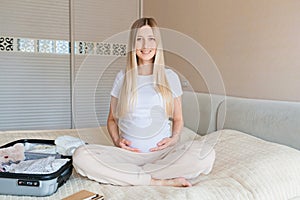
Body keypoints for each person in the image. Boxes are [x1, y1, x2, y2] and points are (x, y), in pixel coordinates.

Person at [73, 17, 215, 187]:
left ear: (157, 43)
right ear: (133, 44)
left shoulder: (170, 77)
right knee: (81, 156)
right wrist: (117, 141)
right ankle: (157, 181)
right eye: (139, 39)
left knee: (206, 154)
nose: (145, 45)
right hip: (128, 156)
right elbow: (111, 120)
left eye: (151, 39)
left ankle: (131, 176)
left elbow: (178, 119)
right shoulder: (122, 77)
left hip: (162, 154)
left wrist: (175, 138)